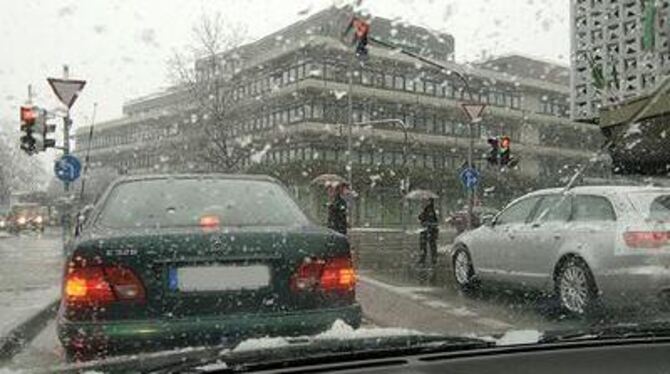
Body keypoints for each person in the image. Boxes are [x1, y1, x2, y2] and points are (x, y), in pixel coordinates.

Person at [418, 197, 439, 266]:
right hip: (428, 230)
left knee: (427, 245)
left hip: (429, 230)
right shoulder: (427, 209)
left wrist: (422, 216)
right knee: (428, 245)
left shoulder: (430, 210)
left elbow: (429, 220)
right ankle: (430, 258)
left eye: (426, 201)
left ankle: (427, 259)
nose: (424, 202)